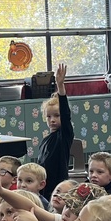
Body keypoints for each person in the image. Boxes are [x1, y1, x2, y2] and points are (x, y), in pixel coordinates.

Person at [36, 62, 74, 199]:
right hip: (44, 187)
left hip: (58, 187)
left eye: (56, 116)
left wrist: (60, 86)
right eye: (49, 116)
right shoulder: (46, 140)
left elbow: (65, 114)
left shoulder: (64, 135)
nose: (52, 120)